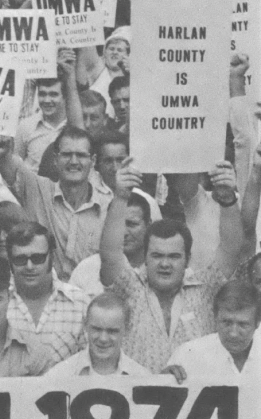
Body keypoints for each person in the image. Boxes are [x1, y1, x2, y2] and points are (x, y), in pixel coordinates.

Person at [100, 158, 245, 372]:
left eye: (174, 256)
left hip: (201, 402)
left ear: (187, 259)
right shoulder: (129, 288)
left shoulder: (205, 289)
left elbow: (231, 250)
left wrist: (227, 199)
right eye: (157, 255)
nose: (165, 264)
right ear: (145, 257)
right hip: (137, 402)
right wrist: (121, 196)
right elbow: (110, 254)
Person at [0, 126, 113, 279]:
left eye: (81, 155)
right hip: (46, 295)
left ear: (93, 160)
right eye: (66, 154)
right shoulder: (37, 190)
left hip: (90, 297)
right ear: (55, 159)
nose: (73, 161)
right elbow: (5, 159)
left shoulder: (108, 206)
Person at [5, 221, 90, 363]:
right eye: (20, 259)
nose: (29, 266)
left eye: (37, 258)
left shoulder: (80, 303)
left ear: (52, 257)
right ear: (10, 261)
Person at [162, 281, 261, 383]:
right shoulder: (187, 355)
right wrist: (164, 381)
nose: (233, 333)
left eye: (243, 325)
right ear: (215, 317)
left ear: (257, 322)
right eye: (226, 322)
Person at [46, 292, 150, 377]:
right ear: (85, 325)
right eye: (97, 329)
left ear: (126, 330)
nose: (103, 338)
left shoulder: (142, 378)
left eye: (112, 331)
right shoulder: (59, 375)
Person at [70, 192, 151, 299]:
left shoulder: (159, 267)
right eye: (118, 225)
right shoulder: (87, 269)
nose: (123, 233)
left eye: (132, 224)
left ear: (148, 225)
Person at [14, 78, 68, 171]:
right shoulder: (26, 126)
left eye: (53, 95)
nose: (47, 100)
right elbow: (15, 165)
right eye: (42, 94)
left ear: (65, 97)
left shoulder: (73, 125)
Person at [76, 28, 130, 119]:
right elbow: (86, 37)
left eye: (120, 50)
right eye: (111, 49)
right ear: (104, 52)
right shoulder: (97, 69)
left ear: (128, 55)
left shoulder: (132, 76)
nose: (115, 52)